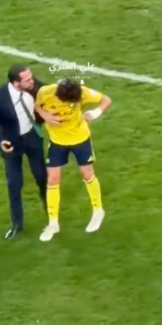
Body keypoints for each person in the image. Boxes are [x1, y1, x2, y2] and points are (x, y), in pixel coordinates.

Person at [33, 79, 112, 242]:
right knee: (52, 179)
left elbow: (106, 100)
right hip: (57, 141)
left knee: (87, 174)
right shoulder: (45, 92)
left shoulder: (82, 92)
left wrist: (95, 113)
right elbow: (36, 105)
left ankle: (98, 211)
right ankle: (53, 223)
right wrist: (44, 115)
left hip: (80, 139)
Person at [0, 65, 47, 239]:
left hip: (32, 138)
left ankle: (52, 216)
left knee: (42, 177)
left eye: (31, 77)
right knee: (14, 184)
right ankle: (17, 224)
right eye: (27, 80)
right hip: (11, 144)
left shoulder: (35, 86)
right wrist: (0, 142)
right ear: (16, 83)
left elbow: (52, 93)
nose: (32, 81)